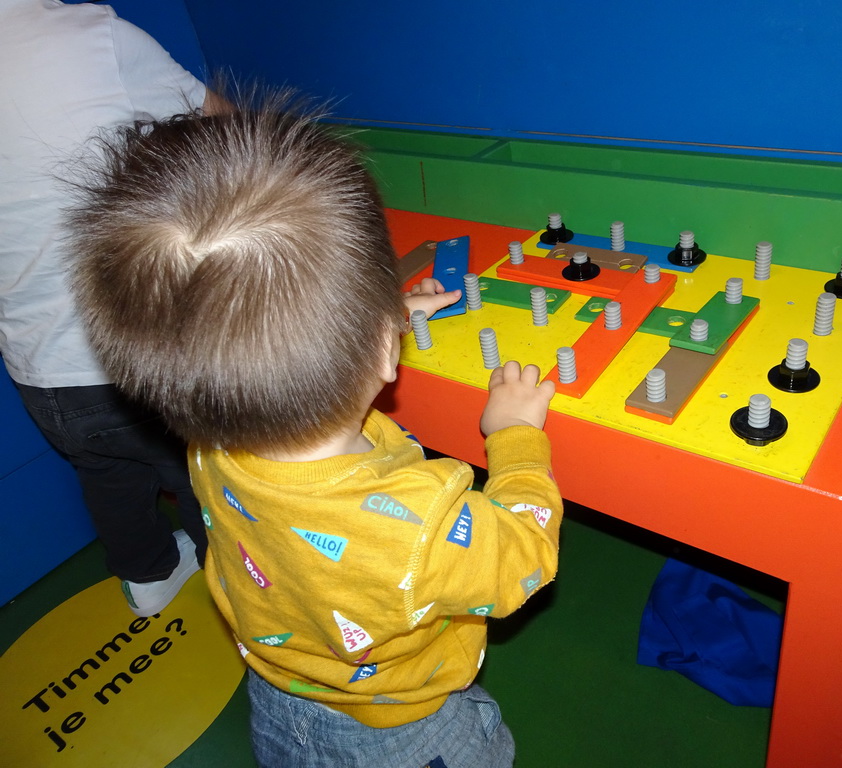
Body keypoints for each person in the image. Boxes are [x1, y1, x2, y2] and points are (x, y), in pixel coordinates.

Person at [66, 99, 563, 767]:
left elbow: (253, 360)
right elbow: (525, 557)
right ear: (389, 351)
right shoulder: (419, 531)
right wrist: (515, 438)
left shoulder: (209, 444)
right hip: (410, 731)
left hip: (285, 694)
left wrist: (361, 327)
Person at [0, 0, 229, 616]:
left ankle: (147, 575)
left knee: (106, 472)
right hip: (133, 353)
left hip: (38, 369)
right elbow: (227, 130)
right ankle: (233, 588)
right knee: (202, 480)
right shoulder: (92, 33)